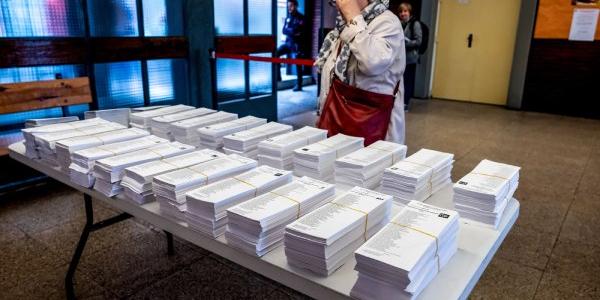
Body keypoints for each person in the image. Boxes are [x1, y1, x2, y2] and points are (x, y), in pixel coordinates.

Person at [315, 0, 406, 144]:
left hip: (372, 129)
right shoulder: (343, 26)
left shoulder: (387, 22)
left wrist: (353, 17)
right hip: (337, 121)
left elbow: (372, 62)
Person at [276, 0, 307, 92]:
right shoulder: (288, 18)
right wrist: (292, 30)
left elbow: (298, 31)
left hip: (297, 44)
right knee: (276, 53)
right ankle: (278, 77)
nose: (289, 8)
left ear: (296, 6)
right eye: (288, 6)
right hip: (289, 43)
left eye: (291, 6)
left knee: (298, 64)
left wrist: (291, 30)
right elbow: (283, 30)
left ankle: (299, 85)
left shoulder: (301, 17)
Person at [398, 2, 422, 111]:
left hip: (410, 59)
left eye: (405, 11)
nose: (403, 14)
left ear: (410, 12)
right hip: (401, 59)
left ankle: (405, 103)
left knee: (407, 81)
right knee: (400, 81)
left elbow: (418, 41)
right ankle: (400, 102)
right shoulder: (400, 24)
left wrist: (405, 44)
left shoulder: (415, 24)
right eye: (401, 11)